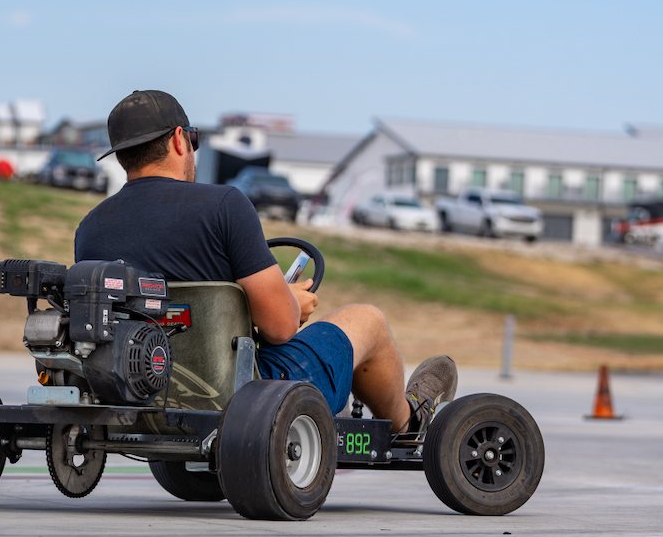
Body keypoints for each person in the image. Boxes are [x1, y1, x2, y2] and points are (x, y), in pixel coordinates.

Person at [75, 90, 457, 435]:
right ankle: (410, 423)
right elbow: (279, 328)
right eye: (194, 141)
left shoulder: (89, 229)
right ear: (179, 139)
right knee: (367, 319)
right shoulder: (224, 206)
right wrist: (293, 303)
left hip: (139, 391)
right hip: (242, 396)